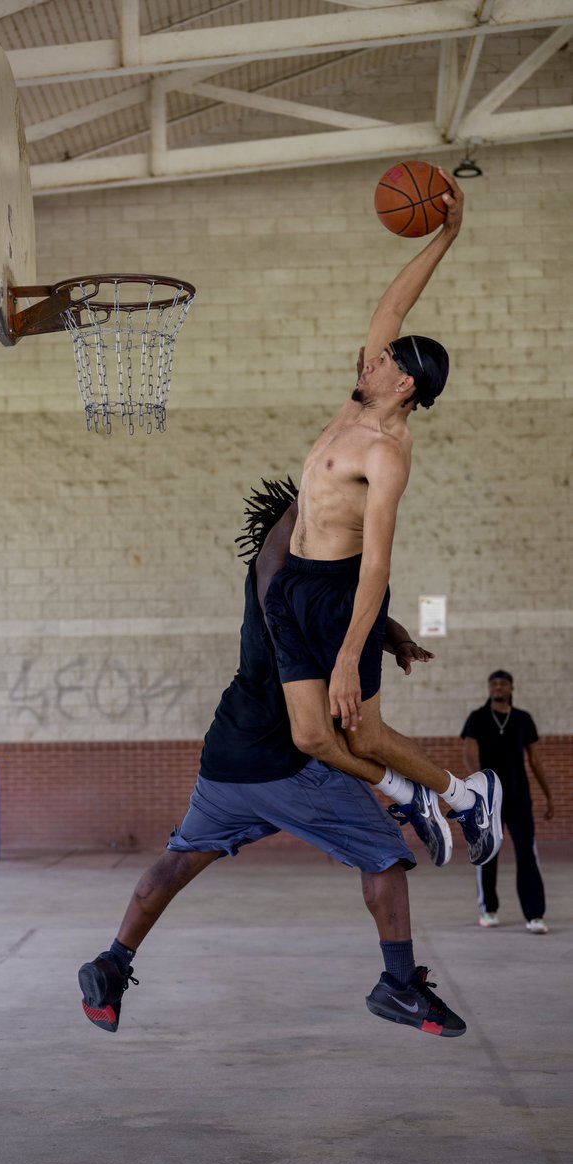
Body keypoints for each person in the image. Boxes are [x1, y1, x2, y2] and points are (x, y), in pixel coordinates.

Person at [78, 480, 468, 1041]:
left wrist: (397, 637)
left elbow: (349, 616)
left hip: (228, 759)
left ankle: (114, 962)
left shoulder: (307, 579)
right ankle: (400, 984)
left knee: (181, 859)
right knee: (384, 856)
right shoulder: (277, 564)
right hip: (289, 764)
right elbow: (290, 574)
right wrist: (311, 496)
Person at [263, 167, 502, 868]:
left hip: (340, 591)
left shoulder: (388, 451)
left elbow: (377, 563)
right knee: (311, 738)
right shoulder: (354, 405)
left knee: (360, 734)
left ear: (405, 383)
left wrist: (347, 658)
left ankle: (465, 794)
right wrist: (446, 235)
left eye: (383, 361)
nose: (368, 359)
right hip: (295, 586)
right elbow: (390, 306)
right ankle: (417, 794)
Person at [462, 670, 554, 934]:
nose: (497, 687)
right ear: (489, 688)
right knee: (488, 851)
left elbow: (535, 759)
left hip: (519, 797)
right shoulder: (477, 718)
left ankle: (535, 915)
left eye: (502, 683)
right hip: (489, 797)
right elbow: (468, 751)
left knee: (527, 853)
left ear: (512, 687)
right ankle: (488, 909)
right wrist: (477, 786)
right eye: (493, 683)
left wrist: (549, 795)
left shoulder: (523, 719)